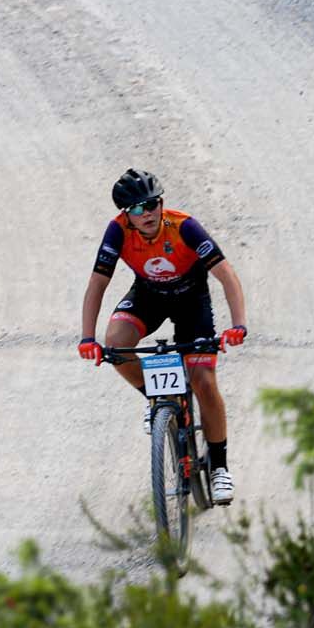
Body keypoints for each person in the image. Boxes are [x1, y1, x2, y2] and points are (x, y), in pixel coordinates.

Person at [77, 168, 248, 505]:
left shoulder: (184, 225)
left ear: (161, 203)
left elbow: (226, 275)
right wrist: (87, 338)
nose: (148, 214)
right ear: (127, 216)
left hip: (191, 301)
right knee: (116, 343)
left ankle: (219, 467)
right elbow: (98, 283)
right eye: (138, 210)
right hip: (149, 295)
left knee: (203, 380)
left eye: (152, 204)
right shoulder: (117, 231)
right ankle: (157, 399)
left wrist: (238, 325)